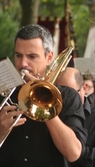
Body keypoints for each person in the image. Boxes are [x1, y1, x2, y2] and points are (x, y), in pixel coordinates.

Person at [0, 24, 87, 166]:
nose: (23, 64)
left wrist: (45, 104)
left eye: (32, 56)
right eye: (18, 55)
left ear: (49, 57)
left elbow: (73, 153)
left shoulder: (68, 96)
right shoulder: (5, 93)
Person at [56, 67, 95, 167]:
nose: (65, 99)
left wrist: (75, 149)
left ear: (84, 88)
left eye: (71, 93)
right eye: (60, 93)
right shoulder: (52, 114)